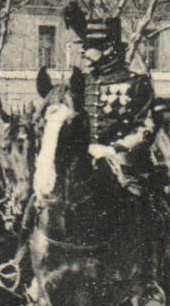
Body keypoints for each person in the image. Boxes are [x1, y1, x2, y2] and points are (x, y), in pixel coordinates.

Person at [66, 16, 157, 193]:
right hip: (83, 157)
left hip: (121, 158)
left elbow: (146, 128)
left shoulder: (136, 82)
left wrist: (113, 149)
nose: (82, 52)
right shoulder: (81, 82)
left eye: (88, 47)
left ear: (107, 49)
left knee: (138, 197)